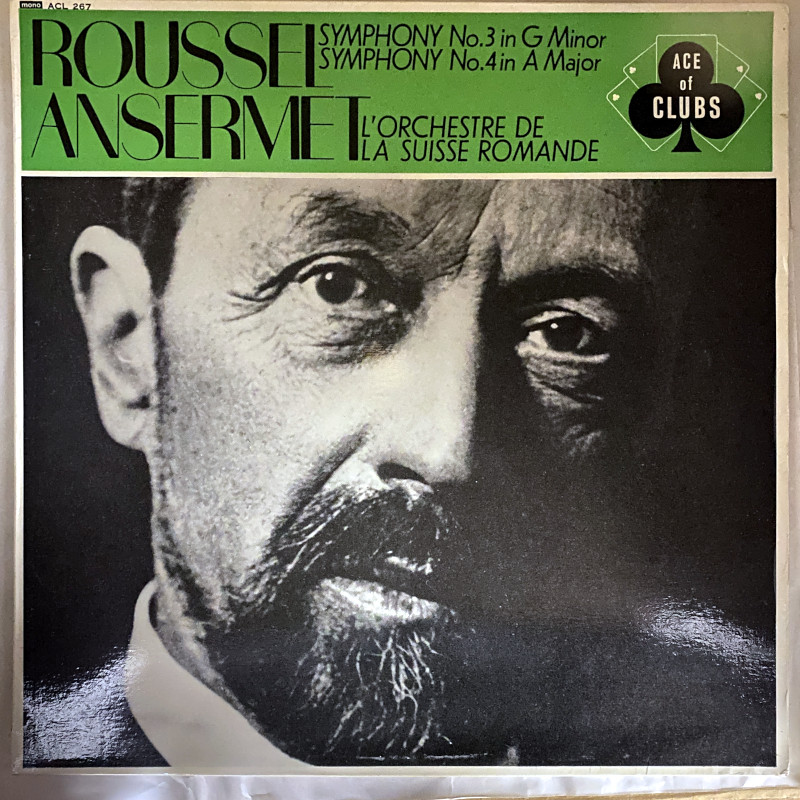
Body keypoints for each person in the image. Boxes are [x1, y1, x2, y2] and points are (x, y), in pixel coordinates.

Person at [23, 178, 775, 769]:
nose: (448, 452)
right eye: (337, 287)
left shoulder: (750, 745)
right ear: (128, 346)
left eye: (565, 334)